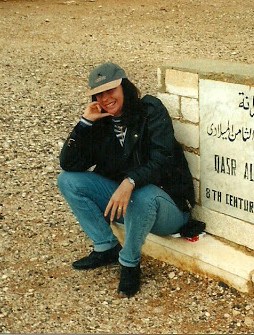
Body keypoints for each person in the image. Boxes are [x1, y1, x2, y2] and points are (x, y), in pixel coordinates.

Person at [57, 62, 195, 297]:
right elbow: (70, 164)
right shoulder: (101, 124)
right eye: (99, 94)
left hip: (167, 208)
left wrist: (130, 181)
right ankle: (106, 247)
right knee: (68, 181)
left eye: (111, 90)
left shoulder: (150, 110)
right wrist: (84, 124)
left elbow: (163, 158)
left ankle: (130, 263)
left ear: (124, 86)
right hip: (130, 205)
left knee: (141, 193)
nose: (106, 98)